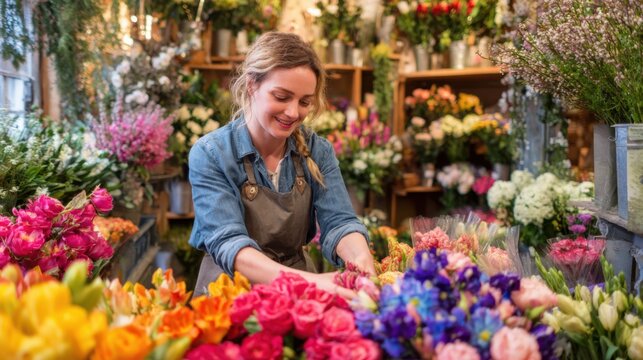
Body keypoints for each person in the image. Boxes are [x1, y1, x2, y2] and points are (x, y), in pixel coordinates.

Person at [189, 32, 375, 298]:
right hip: (230, 294)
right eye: (281, 96)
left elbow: (339, 222)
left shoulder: (317, 151)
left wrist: (360, 257)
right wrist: (309, 283)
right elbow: (229, 243)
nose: (292, 112)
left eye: (304, 102)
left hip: (298, 297)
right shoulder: (212, 153)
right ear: (252, 85)